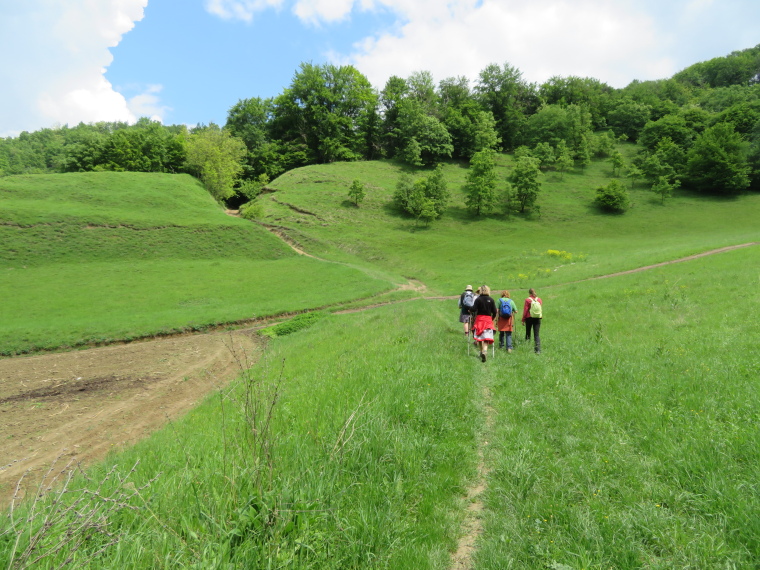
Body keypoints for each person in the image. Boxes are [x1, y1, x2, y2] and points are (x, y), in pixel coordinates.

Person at [471, 285, 497, 362]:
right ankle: (485, 351)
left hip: (479, 320)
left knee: (479, 337)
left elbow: (474, 309)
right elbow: (495, 312)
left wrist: (469, 309)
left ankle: (481, 351)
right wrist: (492, 318)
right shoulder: (491, 300)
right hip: (488, 320)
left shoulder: (478, 299)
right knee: (486, 337)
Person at [521, 288, 543, 354]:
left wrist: (523, 319)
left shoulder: (527, 300)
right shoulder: (539, 300)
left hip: (529, 318)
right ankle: (538, 350)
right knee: (536, 335)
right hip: (537, 318)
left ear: (529, 293)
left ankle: (527, 348)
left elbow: (525, 310)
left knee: (528, 333)